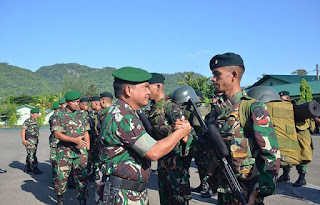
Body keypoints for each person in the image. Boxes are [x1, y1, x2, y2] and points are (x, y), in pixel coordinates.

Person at [97, 66, 192, 204]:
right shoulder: (123, 116)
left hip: (128, 192)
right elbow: (153, 152)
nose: (149, 92)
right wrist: (181, 132)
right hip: (123, 195)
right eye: (145, 87)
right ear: (129, 90)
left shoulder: (127, 113)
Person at [209, 52, 281, 204]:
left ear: (233, 75)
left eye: (217, 74)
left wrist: (256, 193)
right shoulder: (217, 111)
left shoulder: (252, 107)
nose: (213, 79)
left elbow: (271, 155)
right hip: (224, 189)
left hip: (246, 192)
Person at [148, 73, 194, 204]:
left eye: (147, 87)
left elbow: (189, 136)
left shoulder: (171, 108)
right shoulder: (153, 110)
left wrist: (184, 136)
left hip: (176, 169)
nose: (146, 91)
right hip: (163, 168)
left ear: (158, 86)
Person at [52, 90, 90, 205]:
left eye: (78, 101)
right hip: (64, 152)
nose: (76, 104)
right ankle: (60, 200)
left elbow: (86, 132)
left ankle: (82, 201)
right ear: (67, 102)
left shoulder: (82, 114)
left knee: (82, 178)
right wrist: (75, 140)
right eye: (74, 102)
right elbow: (57, 134)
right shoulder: (58, 115)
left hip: (80, 152)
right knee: (61, 178)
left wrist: (88, 148)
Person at [277, 91, 313, 187]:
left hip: (299, 132)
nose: (281, 100)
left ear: (288, 97)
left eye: (282, 98)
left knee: (301, 154)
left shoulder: (296, 107)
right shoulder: (279, 107)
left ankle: (302, 177)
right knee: (285, 152)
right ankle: (285, 174)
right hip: (287, 132)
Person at [21, 107, 42, 174]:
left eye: (38, 114)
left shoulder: (35, 122)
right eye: (36, 114)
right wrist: (23, 139)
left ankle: (27, 168)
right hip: (29, 140)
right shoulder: (28, 121)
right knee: (32, 155)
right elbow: (23, 130)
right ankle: (35, 168)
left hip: (35, 140)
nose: (37, 115)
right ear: (31, 114)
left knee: (31, 153)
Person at [87, 96, 101, 181]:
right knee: (94, 157)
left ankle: (96, 173)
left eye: (91, 103)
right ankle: (94, 172)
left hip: (97, 139)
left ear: (96, 103)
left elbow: (98, 128)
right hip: (95, 139)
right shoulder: (96, 113)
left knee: (96, 157)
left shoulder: (99, 114)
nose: (90, 105)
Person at [49, 101, 61, 182]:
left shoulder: (52, 116)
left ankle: (55, 177)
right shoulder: (56, 117)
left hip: (54, 140)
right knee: (56, 160)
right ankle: (56, 177)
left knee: (55, 159)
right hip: (56, 140)